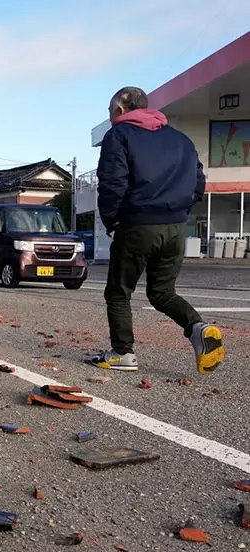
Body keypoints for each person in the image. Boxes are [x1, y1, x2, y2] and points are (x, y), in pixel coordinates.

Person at [91, 86, 224, 374]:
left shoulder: (118, 135)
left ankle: (122, 353)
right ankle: (198, 328)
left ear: (119, 110)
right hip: (175, 227)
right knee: (162, 292)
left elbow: (112, 182)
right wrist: (181, 210)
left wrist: (112, 220)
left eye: (111, 111)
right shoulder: (180, 140)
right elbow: (198, 181)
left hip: (138, 224)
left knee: (118, 291)